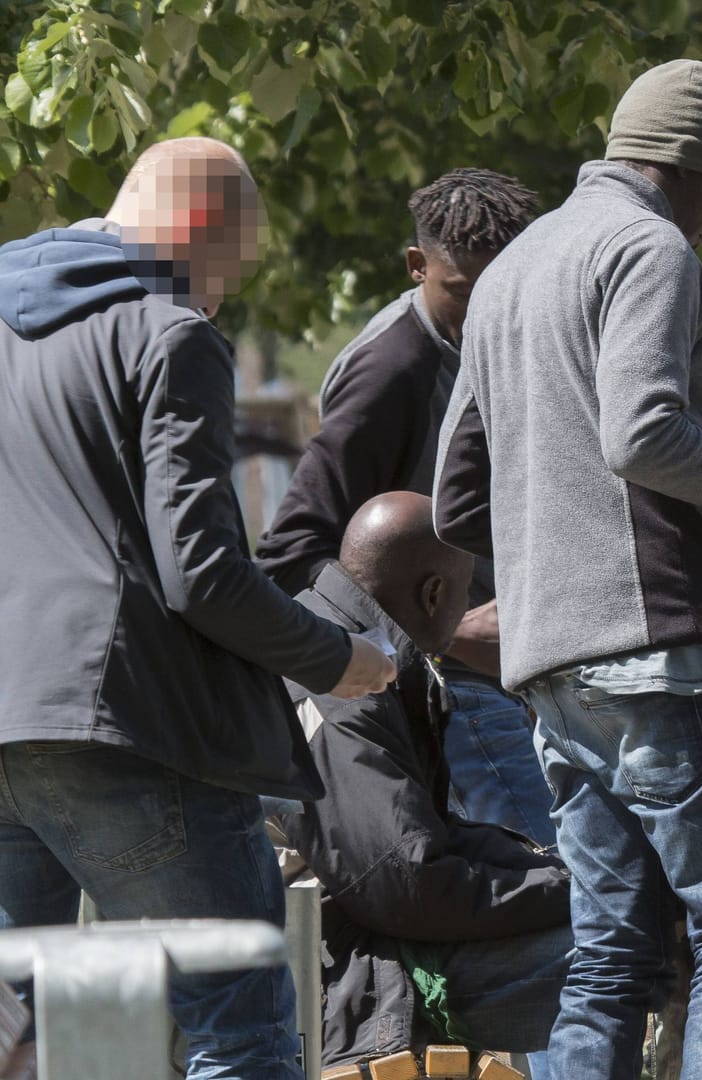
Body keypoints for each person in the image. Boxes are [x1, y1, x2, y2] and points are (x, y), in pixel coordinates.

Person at [434, 59, 702, 1080]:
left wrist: (558, 552)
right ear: (700, 168)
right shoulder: (648, 249)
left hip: (551, 672)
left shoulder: (515, 268)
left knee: (609, 960)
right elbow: (643, 435)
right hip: (665, 660)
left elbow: (456, 499)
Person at [0, 137, 395, 1078]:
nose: (222, 298)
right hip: (128, 723)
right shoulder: (170, 331)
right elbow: (204, 576)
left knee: (12, 1034)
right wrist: (339, 660)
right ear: (194, 230)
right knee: (240, 1028)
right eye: (231, 271)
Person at [255, 169, 555, 845]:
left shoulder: (498, 338)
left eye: (507, 288)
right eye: (465, 291)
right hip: (451, 690)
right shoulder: (392, 370)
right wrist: (435, 638)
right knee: (547, 882)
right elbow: (292, 553)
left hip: (518, 679)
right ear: (417, 266)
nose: (490, 311)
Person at [278, 493, 572, 1074]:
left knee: (627, 930)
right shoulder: (339, 683)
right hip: (348, 973)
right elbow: (404, 880)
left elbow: (424, 842)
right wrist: (576, 893)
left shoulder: (344, 642)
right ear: (434, 593)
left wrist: (560, 874)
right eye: (468, 594)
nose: (469, 609)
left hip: (368, 940)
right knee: (614, 951)